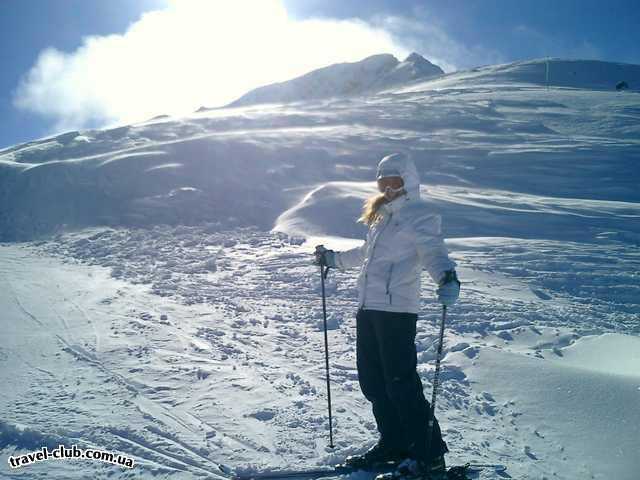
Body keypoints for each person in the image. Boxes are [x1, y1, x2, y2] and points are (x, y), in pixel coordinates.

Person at [314, 152, 460, 480]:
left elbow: (434, 253)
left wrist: (447, 278)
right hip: (369, 308)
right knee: (374, 382)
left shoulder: (420, 214)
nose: (389, 188)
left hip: (397, 310)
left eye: (395, 181)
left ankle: (430, 456)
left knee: (401, 384)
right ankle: (394, 444)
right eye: (384, 182)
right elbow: (366, 255)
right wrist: (333, 260)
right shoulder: (381, 217)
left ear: (408, 181)